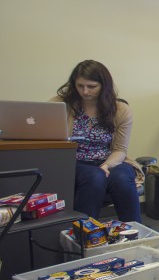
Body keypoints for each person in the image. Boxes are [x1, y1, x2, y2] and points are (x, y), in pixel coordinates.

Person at [55, 60, 141, 222]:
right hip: (74, 163)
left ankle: (134, 233)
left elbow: (120, 150)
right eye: (80, 86)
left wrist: (106, 165)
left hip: (109, 160)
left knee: (122, 177)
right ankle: (83, 234)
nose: (85, 91)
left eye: (91, 86)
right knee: (95, 176)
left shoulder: (121, 110)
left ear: (104, 85)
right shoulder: (60, 105)